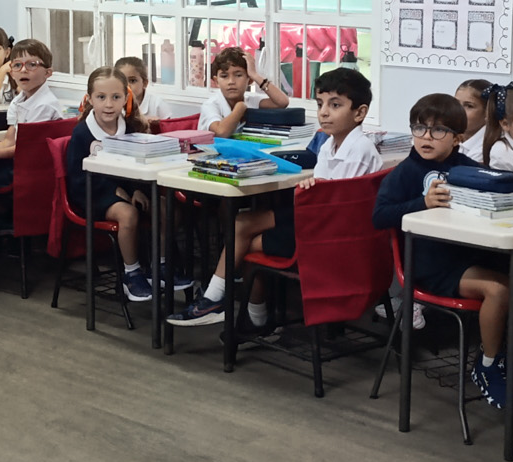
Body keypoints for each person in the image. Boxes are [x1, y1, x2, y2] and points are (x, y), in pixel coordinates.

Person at [174, 66, 379, 330]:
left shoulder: (360, 149)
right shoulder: (329, 144)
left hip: (329, 234)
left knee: (246, 244)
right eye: (320, 104)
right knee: (241, 223)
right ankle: (226, 305)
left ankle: (243, 313)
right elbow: (324, 192)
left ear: (359, 113)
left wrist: (316, 189)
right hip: (316, 219)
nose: (324, 112)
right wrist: (314, 187)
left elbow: (339, 204)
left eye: (335, 105)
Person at [372, 93, 513, 409]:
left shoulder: (464, 167)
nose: (426, 137)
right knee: (498, 290)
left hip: (466, 257)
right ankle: (487, 366)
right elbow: (379, 216)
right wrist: (421, 203)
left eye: (438, 130)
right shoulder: (405, 172)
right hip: (429, 267)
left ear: (458, 138)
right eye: (419, 128)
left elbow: (498, 183)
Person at [61, 66, 158, 303]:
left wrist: (137, 190)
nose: (108, 104)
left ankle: (161, 266)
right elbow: (76, 179)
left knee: (164, 207)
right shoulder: (82, 133)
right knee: (128, 214)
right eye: (101, 97)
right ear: (89, 99)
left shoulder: (131, 128)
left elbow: (139, 166)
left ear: (125, 98)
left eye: (115, 97)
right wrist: (114, 191)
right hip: (92, 196)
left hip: (127, 192)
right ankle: (131, 273)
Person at [0, 38, 65, 202]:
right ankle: (3, 212)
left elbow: (25, 149)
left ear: (47, 73)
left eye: (32, 64)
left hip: (35, 168)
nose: (23, 70)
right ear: (11, 72)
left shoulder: (44, 105)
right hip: (20, 159)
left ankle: (6, 213)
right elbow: (10, 139)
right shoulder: (19, 99)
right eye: (17, 65)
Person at [199, 45, 290, 137]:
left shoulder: (251, 101)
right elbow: (221, 132)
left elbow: (282, 102)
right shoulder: (210, 105)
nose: (231, 82)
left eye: (238, 75)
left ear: (249, 80)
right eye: (224, 76)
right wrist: (240, 108)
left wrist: (255, 75)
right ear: (216, 81)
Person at [455, 78, 494, 161]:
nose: (458, 110)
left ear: (487, 112)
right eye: (456, 103)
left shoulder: (488, 151)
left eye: (469, 106)